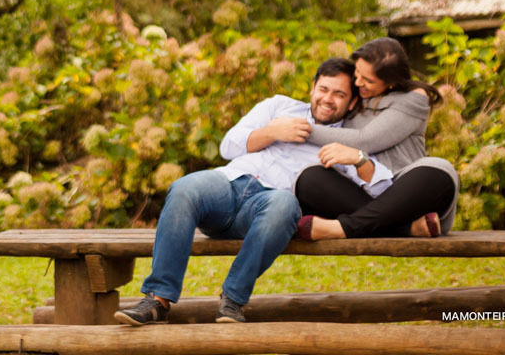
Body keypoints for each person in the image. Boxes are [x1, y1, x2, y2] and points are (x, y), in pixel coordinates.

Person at [115, 58, 392, 326]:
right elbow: (228, 146)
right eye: (323, 89)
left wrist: (358, 159)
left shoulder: (350, 139)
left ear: (352, 102)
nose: (327, 99)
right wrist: (271, 132)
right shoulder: (279, 106)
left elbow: (382, 191)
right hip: (229, 184)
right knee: (184, 187)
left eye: (339, 94)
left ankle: (233, 300)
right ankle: (158, 300)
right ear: (312, 87)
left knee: (285, 203)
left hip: (268, 207)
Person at [293, 37, 459, 240]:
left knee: (439, 169)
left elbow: (366, 140)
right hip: (359, 192)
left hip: (405, 193)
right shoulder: (355, 93)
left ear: (391, 83)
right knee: (309, 177)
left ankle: (342, 229)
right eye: (357, 72)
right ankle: (405, 228)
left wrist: (301, 130)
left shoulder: (413, 99)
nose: (358, 82)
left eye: (368, 80)